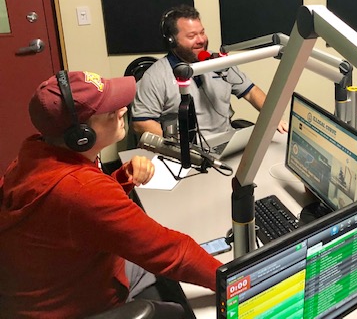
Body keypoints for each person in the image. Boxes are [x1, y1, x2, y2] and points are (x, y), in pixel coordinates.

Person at [0, 71, 223, 318]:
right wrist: (239, 282)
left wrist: (119, 180)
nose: (123, 110)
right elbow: (174, 253)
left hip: (46, 287)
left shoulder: (35, 152)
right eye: (110, 110)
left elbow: (74, 216)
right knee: (186, 311)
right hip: (73, 306)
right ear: (81, 136)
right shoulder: (83, 190)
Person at [130, 4, 287, 140]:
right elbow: (141, 123)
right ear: (172, 41)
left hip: (228, 142)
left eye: (202, 32)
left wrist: (273, 118)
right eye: (192, 36)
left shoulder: (219, 62)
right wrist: (176, 147)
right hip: (187, 152)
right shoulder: (155, 76)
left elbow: (251, 92)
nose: (201, 40)